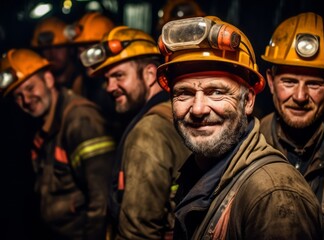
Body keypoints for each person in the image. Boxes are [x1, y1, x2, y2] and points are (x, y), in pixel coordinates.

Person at [155, 15, 324, 239]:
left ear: (248, 101)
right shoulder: (198, 172)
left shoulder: (274, 195)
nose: (198, 109)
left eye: (216, 92)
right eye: (184, 93)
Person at [80, 26, 191, 239]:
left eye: (119, 76)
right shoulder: (176, 112)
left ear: (150, 74)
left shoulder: (148, 132)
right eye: (107, 79)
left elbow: (138, 231)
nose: (110, 87)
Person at [260, 12, 324, 239]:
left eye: (314, 84)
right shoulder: (247, 145)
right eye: (289, 81)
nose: (300, 96)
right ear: (270, 82)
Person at [0, 48, 116, 240]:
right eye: (18, 96)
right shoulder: (45, 126)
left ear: (48, 79)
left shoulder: (80, 120)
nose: (26, 100)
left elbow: (101, 199)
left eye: (30, 88)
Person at [65, 11, 124, 140]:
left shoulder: (119, 84)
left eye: (89, 49)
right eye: (80, 50)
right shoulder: (82, 82)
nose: (83, 57)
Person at [31, 16, 83, 95]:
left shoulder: (89, 83)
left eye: (58, 47)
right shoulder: (43, 90)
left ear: (71, 49)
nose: (51, 53)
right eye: (46, 48)